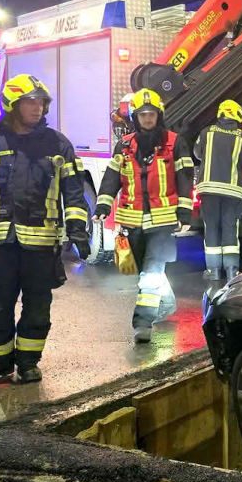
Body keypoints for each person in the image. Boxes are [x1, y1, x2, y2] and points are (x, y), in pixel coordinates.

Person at [0, 74, 90, 385]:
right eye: (30, 102)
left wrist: (78, 231)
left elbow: (73, 192)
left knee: (37, 306)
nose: (38, 108)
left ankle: (29, 363)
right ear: (12, 105)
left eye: (41, 102)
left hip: (41, 243)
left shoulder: (57, 144)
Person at [93, 89, 193, 341]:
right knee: (145, 273)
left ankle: (143, 323)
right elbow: (112, 177)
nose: (148, 118)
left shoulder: (174, 142)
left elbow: (184, 177)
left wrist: (185, 210)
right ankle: (167, 303)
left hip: (162, 222)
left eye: (152, 114)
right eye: (142, 114)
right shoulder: (124, 145)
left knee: (151, 273)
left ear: (159, 115)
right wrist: (103, 206)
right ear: (135, 117)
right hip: (132, 221)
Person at [195, 99, 242, 279]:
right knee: (230, 229)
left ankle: (213, 271)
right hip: (232, 191)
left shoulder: (206, 133)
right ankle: (232, 271)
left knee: (211, 228)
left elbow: (197, 154)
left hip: (209, 190)